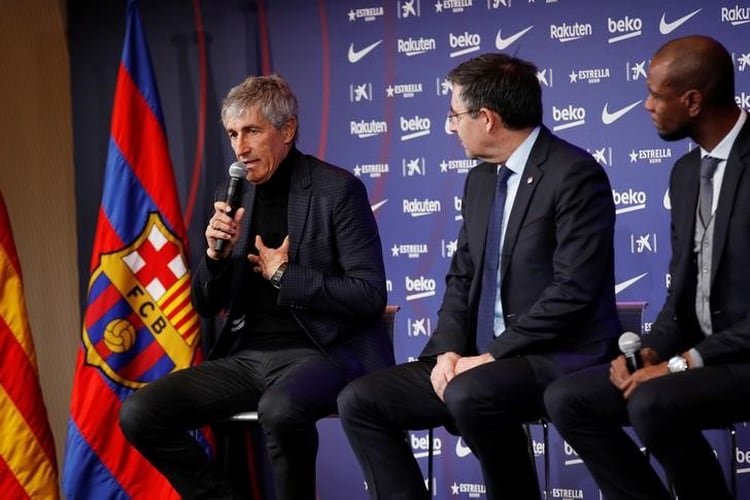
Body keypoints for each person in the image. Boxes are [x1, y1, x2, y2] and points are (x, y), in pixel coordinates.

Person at [337, 53, 619, 499]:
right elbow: (461, 277)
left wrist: (490, 356)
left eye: (454, 115)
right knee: (361, 400)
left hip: (557, 355)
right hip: (475, 361)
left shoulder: (574, 174)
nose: (450, 127)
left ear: (487, 118)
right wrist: (448, 349)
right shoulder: (481, 181)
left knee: (471, 392)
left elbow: (574, 291)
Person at [119, 74, 392, 500]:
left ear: (287, 130)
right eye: (232, 134)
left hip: (323, 351)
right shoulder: (231, 194)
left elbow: (369, 295)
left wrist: (286, 275)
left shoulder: (337, 190)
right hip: (247, 358)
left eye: (252, 132)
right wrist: (214, 257)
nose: (240, 149)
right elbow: (206, 305)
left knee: (280, 409)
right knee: (140, 412)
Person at [544, 35, 750, 500]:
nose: (646, 105)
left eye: (656, 95)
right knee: (568, 399)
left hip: (740, 361)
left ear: (692, 100)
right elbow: (684, 295)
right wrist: (654, 352)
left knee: (655, 400)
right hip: (697, 360)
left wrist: (681, 364)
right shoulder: (684, 174)